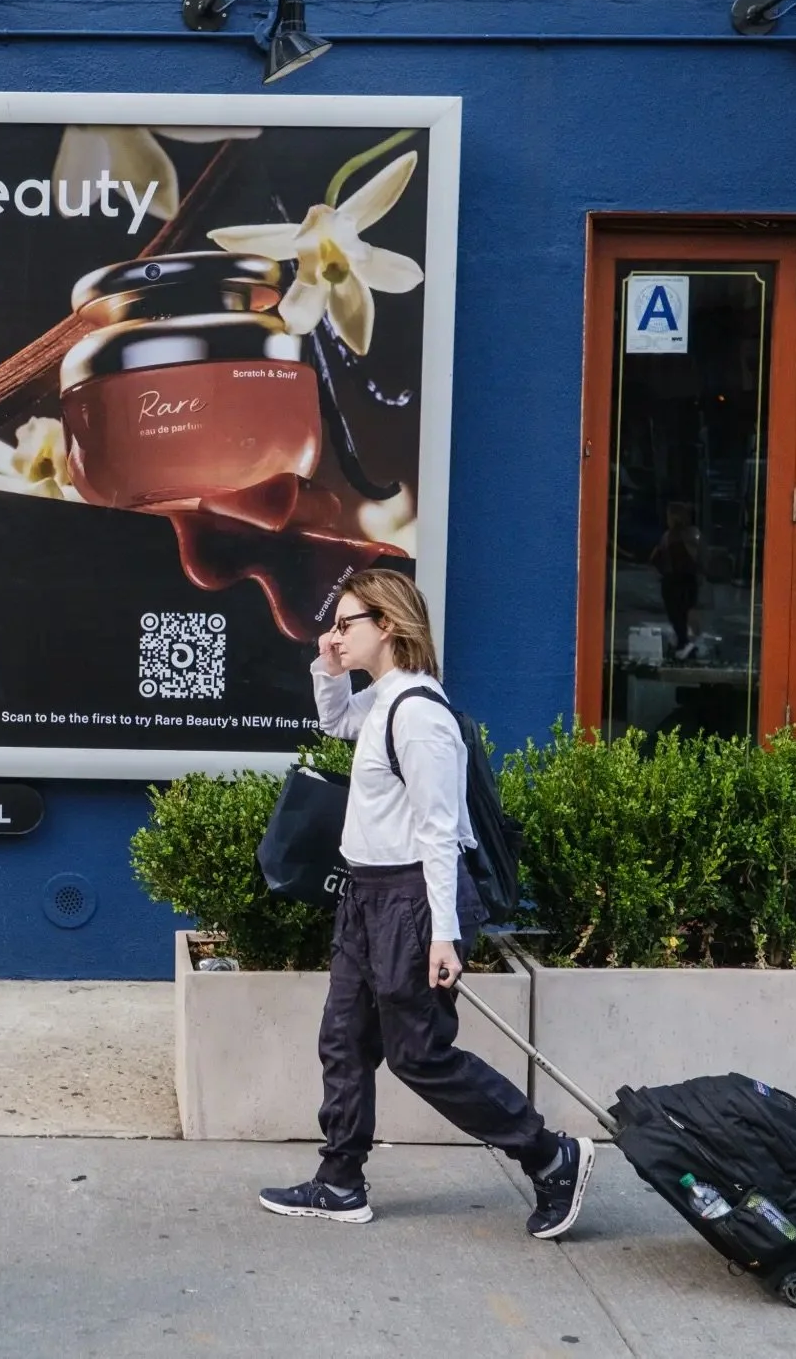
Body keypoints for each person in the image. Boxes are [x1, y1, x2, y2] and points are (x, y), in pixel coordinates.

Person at [259, 568, 595, 1237]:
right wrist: (327, 668)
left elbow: (441, 833)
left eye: (346, 623)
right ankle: (339, 1181)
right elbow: (336, 725)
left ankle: (549, 1155)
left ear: (388, 625)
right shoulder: (383, 701)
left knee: (420, 1054)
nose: (335, 633)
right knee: (345, 1041)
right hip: (367, 895)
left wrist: (443, 935)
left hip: (412, 901)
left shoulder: (417, 716)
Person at [650, 501, 702, 661]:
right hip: (685, 580)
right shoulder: (692, 534)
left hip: (676, 581)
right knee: (682, 613)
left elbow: (656, 557)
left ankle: (683, 642)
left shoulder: (673, 536)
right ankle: (682, 641)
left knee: (678, 614)